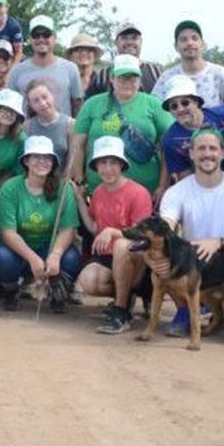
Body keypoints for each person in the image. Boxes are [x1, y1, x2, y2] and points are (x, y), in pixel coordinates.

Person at [149, 128, 224, 346]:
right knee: (166, 267)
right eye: (201, 148)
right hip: (196, 272)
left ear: (222, 153)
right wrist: (160, 260)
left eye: (213, 148)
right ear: (191, 153)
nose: (207, 154)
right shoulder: (177, 192)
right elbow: (165, 227)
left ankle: (223, 312)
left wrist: (218, 243)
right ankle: (190, 309)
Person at [74, 136, 155, 334]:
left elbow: (143, 236)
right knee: (87, 280)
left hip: (138, 260)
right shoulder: (99, 192)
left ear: (121, 165)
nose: (108, 168)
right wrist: (79, 200)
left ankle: (121, 310)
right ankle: (126, 296)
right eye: (102, 162)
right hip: (109, 259)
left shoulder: (138, 193)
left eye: (113, 163)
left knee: (121, 246)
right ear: (96, 166)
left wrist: (113, 232)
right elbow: (95, 228)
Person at [0, 135, 81, 311]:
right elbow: (8, 232)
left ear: (54, 162)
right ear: (26, 160)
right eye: (36, 157)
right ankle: (11, 290)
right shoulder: (11, 187)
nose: (42, 162)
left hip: (49, 245)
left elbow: (68, 228)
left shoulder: (64, 189)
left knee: (71, 258)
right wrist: (32, 258)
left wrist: (55, 254)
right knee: (3, 258)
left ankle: (58, 290)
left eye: (47, 158)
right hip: (19, 248)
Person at [70, 55, 174, 198]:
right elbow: (78, 145)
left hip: (145, 190)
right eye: (122, 77)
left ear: (140, 79)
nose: (128, 82)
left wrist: (163, 186)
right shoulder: (92, 104)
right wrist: (80, 181)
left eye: (133, 77)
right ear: (111, 78)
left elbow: (167, 147)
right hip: (99, 190)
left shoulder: (154, 105)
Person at [160, 76, 224, 182]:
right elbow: (184, 175)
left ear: (196, 102)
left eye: (185, 103)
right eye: (174, 106)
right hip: (210, 185)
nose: (180, 109)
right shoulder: (171, 139)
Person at [6, 15, 84, 116]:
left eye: (46, 34)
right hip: (27, 131)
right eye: (36, 35)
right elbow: (10, 107)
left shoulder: (70, 69)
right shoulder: (17, 71)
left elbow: (77, 105)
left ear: (55, 38)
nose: (41, 39)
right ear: (30, 39)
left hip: (62, 131)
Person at [152, 19, 224, 105]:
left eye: (194, 38)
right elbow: (154, 108)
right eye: (183, 39)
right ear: (176, 46)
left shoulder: (220, 74)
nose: (190, 43)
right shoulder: (167, 78)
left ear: (203, 44)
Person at [88, 20, 163, 97]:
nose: (129, 42)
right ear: (116, 42)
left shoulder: (156, 72)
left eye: (134, 38)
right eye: (124, 38)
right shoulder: (103, 75)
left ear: (141, 42)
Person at [23, 79, 72, 166]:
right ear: (30, 105)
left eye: (44, 97)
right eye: (36, 101)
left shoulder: (70, 124)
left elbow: (73, 158)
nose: (42, 103)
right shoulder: (26, 126)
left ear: (52, 96)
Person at [64, 33, 103, 102]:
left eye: (89, 49)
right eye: (78, 49)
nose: (84, 53)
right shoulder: (64, 81)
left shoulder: (102, 81)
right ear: (71, 55)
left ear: (94, 55)